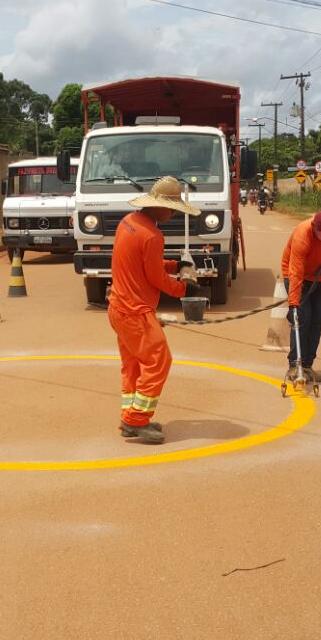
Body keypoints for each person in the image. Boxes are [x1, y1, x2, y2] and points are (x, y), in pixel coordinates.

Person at [107, 176, 203, 443]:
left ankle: (131, 416)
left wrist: (174, 265)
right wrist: (185, 289)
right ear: (158, 206)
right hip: (136, 312)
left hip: (119, 309)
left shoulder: (129, 223)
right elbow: (155, 279)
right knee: (159, 361)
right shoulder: (152, 235)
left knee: (134, 366)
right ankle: (136, 420)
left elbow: (144, 263)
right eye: (172, 209)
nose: (173, 214)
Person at [281, 210, 321, 382]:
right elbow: (295, 272)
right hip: (296, 275)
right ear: (313, 226)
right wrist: (293, 304)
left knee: (317, 320)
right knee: (302, 319)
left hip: (320, 275)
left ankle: (308, 365)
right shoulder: (302, 234)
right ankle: (295, 365)